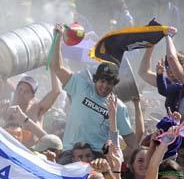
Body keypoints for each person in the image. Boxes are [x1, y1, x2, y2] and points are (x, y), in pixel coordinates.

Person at [50, 23, 138, 160]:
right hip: (70, 153)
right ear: (95, 80)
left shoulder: (119, 107)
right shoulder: (80, 85)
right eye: (102, 81)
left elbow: (132, 141)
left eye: (109, 82)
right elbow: (57, 67)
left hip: (98, 158)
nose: (105, 86)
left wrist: (121, 159)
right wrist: (57, 39)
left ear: (114, 85)